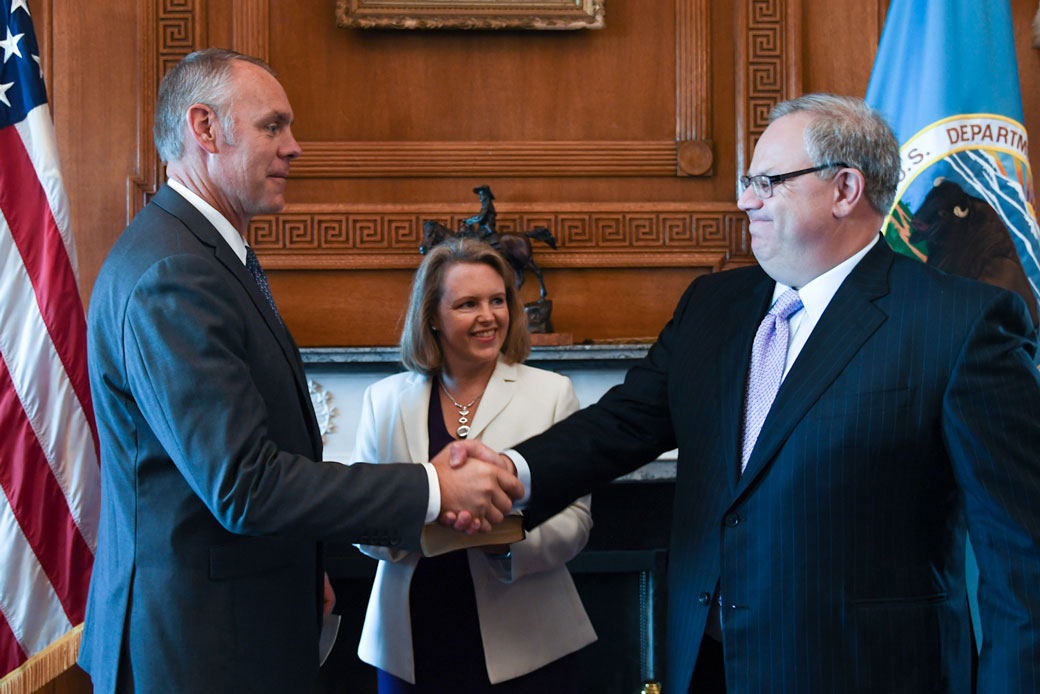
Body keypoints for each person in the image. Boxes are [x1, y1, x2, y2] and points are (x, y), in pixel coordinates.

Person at [447, 94, 1040, 693]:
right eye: (746, 181)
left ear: (845, 190)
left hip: (865, 670)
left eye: (767, 181)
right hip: (705, 666)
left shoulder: (961, 323)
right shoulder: (713, 306)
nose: (744, 199)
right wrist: (510, 471)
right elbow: (621, 425)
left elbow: (1022, 557)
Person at [78, 48, 522, 694]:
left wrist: (300, 557)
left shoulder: (197, 253)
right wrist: (432, 489)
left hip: (235, 626)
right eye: (273, 126)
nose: (295, 147)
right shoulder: (175, 273)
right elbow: (246, 486)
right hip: (201, 654)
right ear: (204, 129)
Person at [351, 237, 596, 692]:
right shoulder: (383, 400)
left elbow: (577, 521)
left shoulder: (552, 393)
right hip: (409, 642)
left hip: (529, 643)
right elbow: (358, 517)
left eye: (498, 300)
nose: (489, 316)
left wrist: (501, 544)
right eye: (468, 304)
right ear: (432, 318)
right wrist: (423, 520)